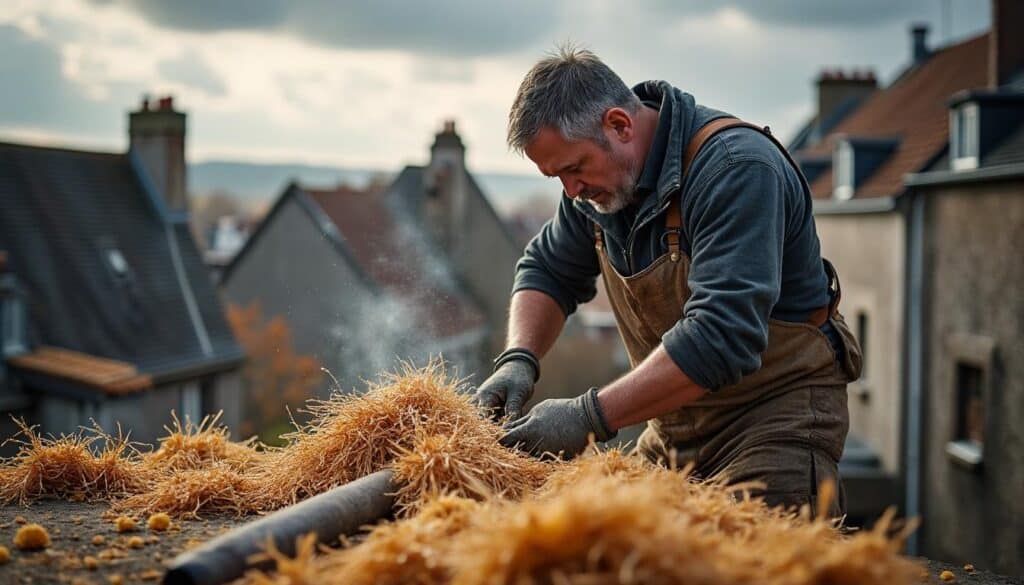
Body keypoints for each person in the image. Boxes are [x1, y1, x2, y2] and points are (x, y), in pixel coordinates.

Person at [473, 46, 863, 517]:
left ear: (619, 125)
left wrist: (587, 416)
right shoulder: (597, 189)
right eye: (556, 177)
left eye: (574, 169)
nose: (570, 192)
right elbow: (546, 269)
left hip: (774, 421)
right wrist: (519, 359)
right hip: (674, 428)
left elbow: (722, 337)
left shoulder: (735, 170)